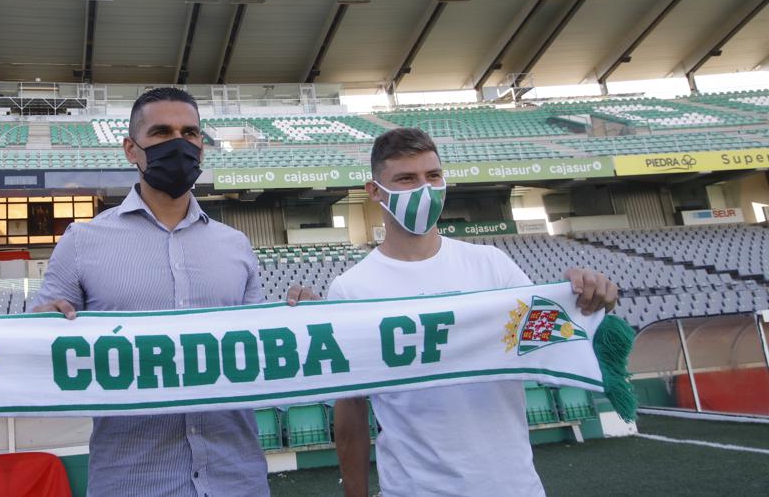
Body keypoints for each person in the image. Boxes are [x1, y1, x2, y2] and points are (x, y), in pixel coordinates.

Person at [31, 87, 316, 497]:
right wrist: (42, 325)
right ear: (131, 149)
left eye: (190, 133)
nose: (179, 143)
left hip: (236, 478)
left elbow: (256, 353)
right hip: (132, 481)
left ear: (202, 146)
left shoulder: (235, 245)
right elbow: (41, 341)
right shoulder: (81, 241)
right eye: (162, 132)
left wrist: (302, 323)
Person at [329, 128, 618, 497]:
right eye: (406, 179)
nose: (424, 189)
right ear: (374, 191)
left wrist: (587, 296)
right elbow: (350, 410)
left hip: (515, 486)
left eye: (433, 176)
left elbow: (548, 336)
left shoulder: (492, 265)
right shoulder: (352, 288)